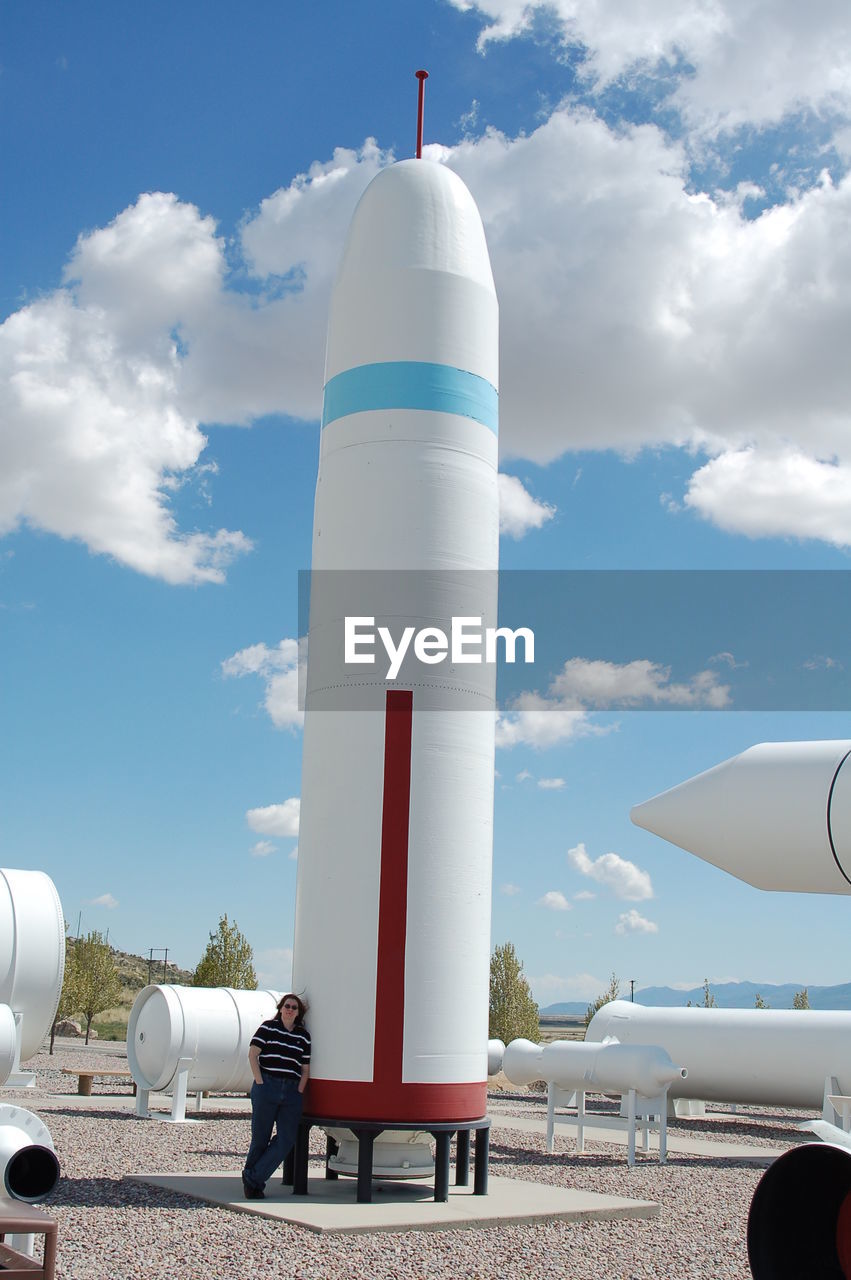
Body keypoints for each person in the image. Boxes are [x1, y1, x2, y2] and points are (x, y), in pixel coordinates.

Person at [242, 993, 311, 1199]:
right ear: (280, 1008)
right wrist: (260, 1081)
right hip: (267, 1085)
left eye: (294, 1007)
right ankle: (253, 1186)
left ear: (298, 1013)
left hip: (291, 1091)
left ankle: (252, 1177)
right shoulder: (268, 1027)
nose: (290, 1009)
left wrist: (299, 1090)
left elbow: (305, 1068)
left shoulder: (303, 1036)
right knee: (260, 1138)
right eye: (287, 1006)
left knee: (286, 1139)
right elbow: (253, 1054)